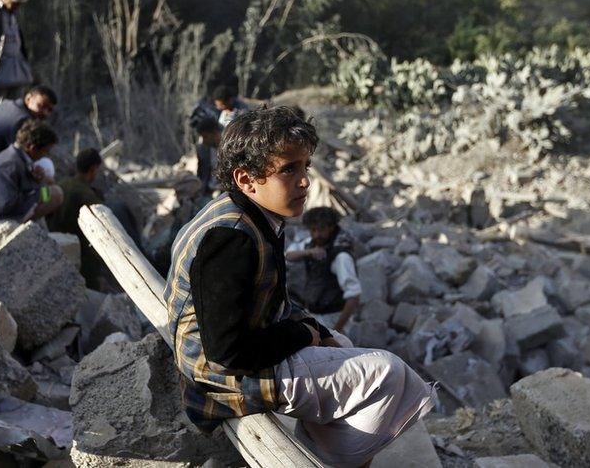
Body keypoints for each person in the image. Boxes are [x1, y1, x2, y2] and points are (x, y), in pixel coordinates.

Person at [164, 106, 433, 468]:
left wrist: (318, 331)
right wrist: (302, 335)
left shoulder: (255, 215)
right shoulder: (230, 239)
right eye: (289, 169)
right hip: (219, 381)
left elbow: (271, 302)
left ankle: (321, 448)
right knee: (387, 373)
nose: (305, 181)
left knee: (345, 343)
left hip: (237, 361)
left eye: (305, 166)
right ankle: (327, 460)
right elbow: (227, 351)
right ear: (247, 179)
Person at [286, 206, 362, 332]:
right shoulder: (311, 243)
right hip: (314, 314)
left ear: (331, 228)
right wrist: (309, 252)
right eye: (313, 230)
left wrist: (337, 329)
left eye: (321, 230)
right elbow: (289, 255)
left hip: (333, 317)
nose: (317, 234)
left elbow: (354, 296)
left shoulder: (341, 256)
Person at [0, 119, 63, 222]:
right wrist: (38, 194)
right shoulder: (9, 164)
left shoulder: (18, 157)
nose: (46, 155)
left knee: (49, 187)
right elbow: (5, 203)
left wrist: (37, 181)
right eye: (46, 151)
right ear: (32, 148)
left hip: (3, 208)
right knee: (55, 194)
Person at [52, 148, 109, 290]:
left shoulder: (60, 185)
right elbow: (101, 233)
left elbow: (43, 200)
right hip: (81, 258)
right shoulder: (89, 197)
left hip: (53, 247)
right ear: (93, 169)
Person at [194, 117, 222, 199]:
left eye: (205, 137)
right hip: (208, 192)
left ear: (215, 133)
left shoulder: (231, 149)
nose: (204, 141)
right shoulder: (203, 150)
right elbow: (201, 174)